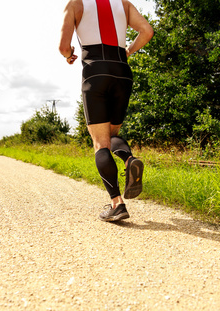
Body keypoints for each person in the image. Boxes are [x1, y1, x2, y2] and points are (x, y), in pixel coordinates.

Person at [59, 0, 154, 221]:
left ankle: (117, 204)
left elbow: (64, 46)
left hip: (96, 71)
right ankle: (129, 159)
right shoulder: (123, 4)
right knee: (112, 135)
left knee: (101, 143)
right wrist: (128, 51)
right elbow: (147, 31)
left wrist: (68, 54)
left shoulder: (76, 4)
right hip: (122, 71)